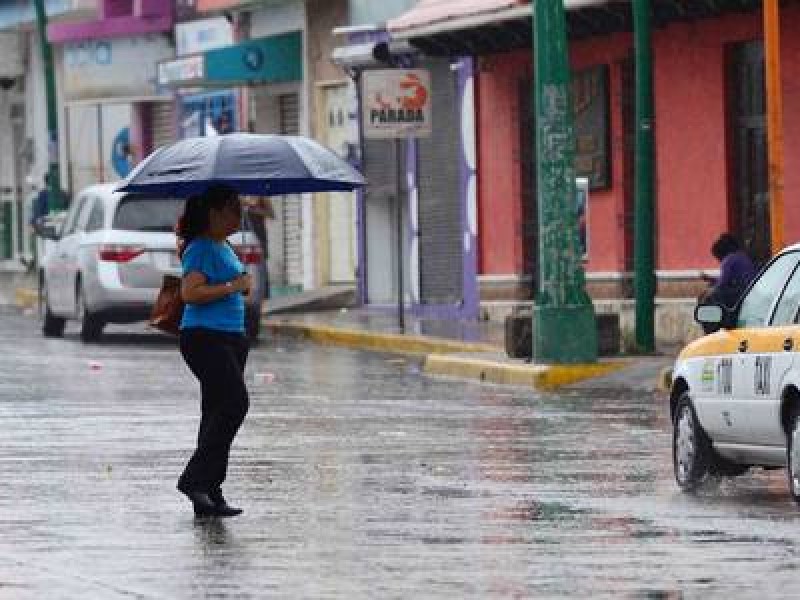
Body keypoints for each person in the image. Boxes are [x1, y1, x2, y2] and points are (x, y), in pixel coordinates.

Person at [175, 185, 253, 518]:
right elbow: (190, 294)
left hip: (231, 337)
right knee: (236, 403)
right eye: (234, 209)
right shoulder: (200, 248)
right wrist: (234, 286)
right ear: (214, 214)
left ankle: (209, 491)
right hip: (206, 338)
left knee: (215, 412)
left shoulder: (223, 246)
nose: (240, 215)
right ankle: (195, 480)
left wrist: (240, 285)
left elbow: (231, 288)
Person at [700, 232, 757, 309]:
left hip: (744, 291)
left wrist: (709, 292)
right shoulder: (741, 255)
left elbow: (722, 283)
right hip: (751, 289)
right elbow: (726, 279)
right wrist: (710, 279)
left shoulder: (728, 260)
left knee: (711, 294)